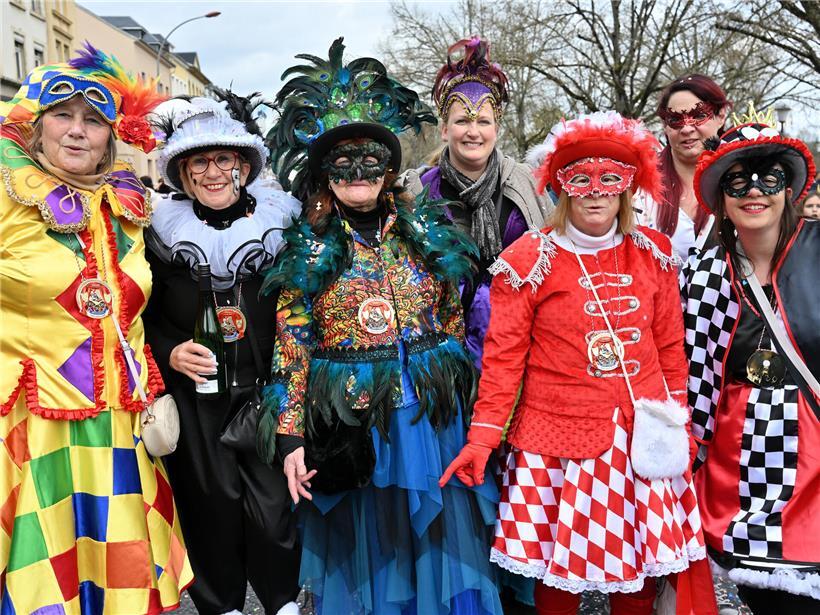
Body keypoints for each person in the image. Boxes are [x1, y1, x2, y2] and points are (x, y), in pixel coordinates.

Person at [261, 38, 502, 615]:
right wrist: (291, 438)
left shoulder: (426, 236)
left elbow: (452, 318)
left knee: (442, 549)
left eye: (370, 160)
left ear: (390, 169)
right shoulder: (304, 252)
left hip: (430, 418)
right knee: (374, 559)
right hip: (355, 421)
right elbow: (291, 350)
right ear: (323, 176)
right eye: (341, 164)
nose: (358, 172)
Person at [442, 112, 713, 615]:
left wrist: (680, 422)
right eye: (580, 179)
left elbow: (671, 351)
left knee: (637, 578)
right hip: (555, 443)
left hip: (639, 441)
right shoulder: (530, 258)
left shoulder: (652, 254)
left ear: (628, 187)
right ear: (561, 186)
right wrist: (483, 439)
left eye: (610, 179)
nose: (595, 192)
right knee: (558, 581)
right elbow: (504, 363)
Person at [0, 43, 193, 613]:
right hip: (31, 426)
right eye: (63, 115)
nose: (78, 131)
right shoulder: (7, 199)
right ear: (35, 126)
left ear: (112, 135)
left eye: (94, 120)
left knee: (117, 581)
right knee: (41, 575)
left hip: (117, 427)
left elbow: (137, 309)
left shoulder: (127, 209)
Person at [143, 91, 302, 615]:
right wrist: (170, 352)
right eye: (199, 162)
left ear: (243, 165)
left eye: (223, 160)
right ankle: (222, 606)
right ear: (184, 173)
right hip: (198, 399)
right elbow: (143, 313)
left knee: (274, 513)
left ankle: (282, 602)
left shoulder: (283, 225)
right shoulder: (160, 232)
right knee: (210, 511)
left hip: (267, 394)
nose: (212, 173)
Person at [681, 108, 820, 613]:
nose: (754, 192)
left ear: (789, 189)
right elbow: (691, 374)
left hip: (815, 457)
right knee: (765, 598)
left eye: (769, 179)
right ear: (721, 199)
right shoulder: (702, 272)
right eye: (737, 183)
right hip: (740, 464)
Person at [401, 36, 551, 367]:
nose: (473, 131)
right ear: (444, 129)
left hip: (521, 352)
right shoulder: (417, 191)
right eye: (462, 121)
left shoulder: (526, 184)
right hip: (442, 355)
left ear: (496, 128)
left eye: (483, 121)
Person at [638, 74, 731, 261]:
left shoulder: (742, 180)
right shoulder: (638, 187)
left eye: (699, 116)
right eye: (675, 119)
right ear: (664, 125)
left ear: (720, 116)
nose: (687, 129)